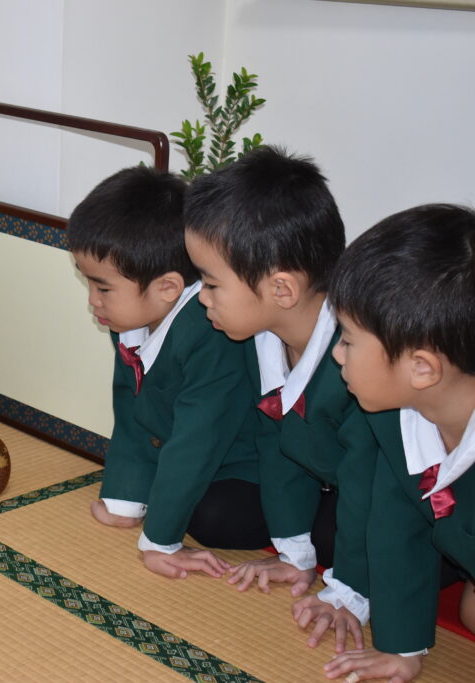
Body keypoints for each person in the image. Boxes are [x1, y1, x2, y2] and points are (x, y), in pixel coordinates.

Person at [184, 146, 378, 653]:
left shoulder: (360, 364)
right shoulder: (263, 339)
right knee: (212, 515)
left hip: (393, 496)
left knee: (345, 544)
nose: (202, 298)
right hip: (328, 481)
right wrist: (293, 553)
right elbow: (279, 446)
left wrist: (347, 593)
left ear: (281, 288)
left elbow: (371, 484)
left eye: (210, 284)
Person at [67, 166, 268, 580]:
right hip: (184, 451)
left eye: (103, 288)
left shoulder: (211, 334)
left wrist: (159, 541)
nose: (93, 301)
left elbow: (200, 438)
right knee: (171, 493)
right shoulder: (131, 320)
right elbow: (131, 410)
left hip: (243, 465)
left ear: (168, 287)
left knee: (209, 518)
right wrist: (125, 498)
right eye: (88, 283)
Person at [324, 204, 475, 682]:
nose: (336, 352)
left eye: (348, 339)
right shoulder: (398, 415)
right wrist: (402, 646)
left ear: (422, 367)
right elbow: (395, 523)